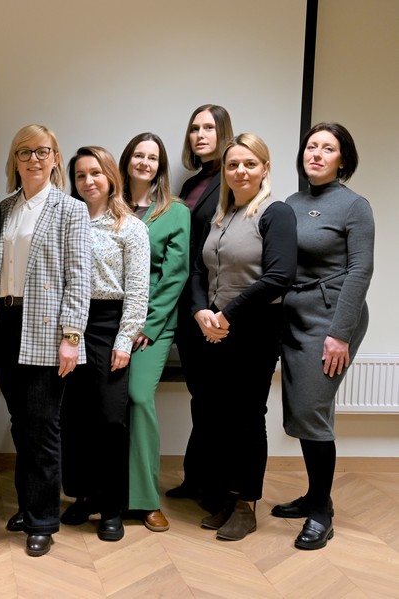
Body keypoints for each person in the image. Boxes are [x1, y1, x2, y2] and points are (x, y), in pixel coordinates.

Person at [190, 133, 297, 540]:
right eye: (233, 164)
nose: (240, 171)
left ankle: (246, 504)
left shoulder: (276, 212)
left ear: (265, 168)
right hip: (214, 329)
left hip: (254, 330)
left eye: (250, 164)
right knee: (219, 417)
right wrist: (201, 311)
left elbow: (280, 277)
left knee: (248, 417)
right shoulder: (221, 215)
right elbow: (199, 270)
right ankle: (227, 496)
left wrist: (225, 314)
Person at [0, 124, 91, 557]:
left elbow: (79, 277)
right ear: (14, 160)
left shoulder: (71, 210)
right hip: (6, 323)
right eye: (24, 152)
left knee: (43, 426)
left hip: (46, 329)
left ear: (55, 158)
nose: (33, 159)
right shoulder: (3, 208)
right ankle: (29, 506)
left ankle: (43, 520)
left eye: (42, 151)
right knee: (22, 424)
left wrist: (71, 336)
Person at [274, 123, 374, 550]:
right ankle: (316, 495)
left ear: (342, 159)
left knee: (311, 411)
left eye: (327, 148)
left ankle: (320, 513)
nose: (315, 154)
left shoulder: (354, 206)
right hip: (294, 317)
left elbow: (360, 271)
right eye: (311, 146)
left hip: (332, 319)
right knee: (304, 412)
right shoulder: (290, 204)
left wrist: (340, 334)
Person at [60, 146, 149, 542]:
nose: (88, 181)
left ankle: (112, 507)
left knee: (110, 419)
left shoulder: (130, 227)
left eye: (95, 173)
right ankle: (85, 496)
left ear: (111, 176)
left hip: (109, 324)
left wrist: (125, 339)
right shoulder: (68, 221)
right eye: (80, 175)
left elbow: (138, 291)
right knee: (74, 418)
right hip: (70, 324)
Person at [118, 133, 191, 534]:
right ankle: (108, 495)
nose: (144, 162)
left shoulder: (175, 212)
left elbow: (175, 275)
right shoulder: (108, 205)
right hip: (107, 321)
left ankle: (146, 500)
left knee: (138, 397)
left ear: (160, 166)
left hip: (151, 326)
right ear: (127, 160)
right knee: (106, 405)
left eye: (152, 157)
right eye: (139, 155)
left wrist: (147, 324)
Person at [169, 105, 234, 506]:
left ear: (224, 132)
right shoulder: (192, 183)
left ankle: (217, 487)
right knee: (201, 396)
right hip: (186, 303)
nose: (200, 135)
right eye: (195, 128)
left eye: (209, 127)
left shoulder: (232, 178)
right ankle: (196, 477)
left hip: (214, 305)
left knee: (217, 399)